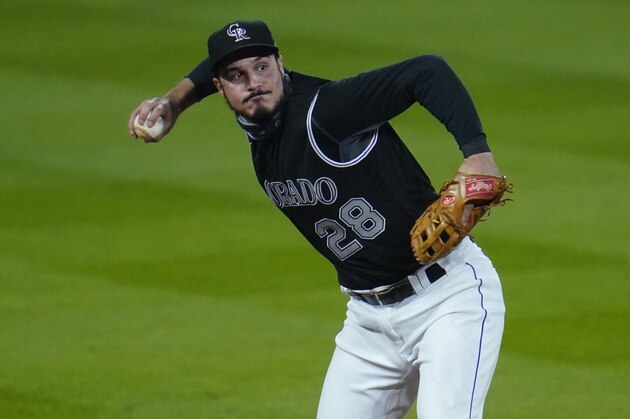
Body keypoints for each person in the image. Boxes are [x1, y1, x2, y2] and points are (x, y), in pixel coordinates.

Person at [128, 20, 506, 419]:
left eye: (262, 67)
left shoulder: (327, 110)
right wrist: (175, 101)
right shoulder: (261, 123)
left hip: (445, 301)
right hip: (369, 323)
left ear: (280, 63)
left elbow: (426, 71)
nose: (254, 82)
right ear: (220, 88)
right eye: (237, 77)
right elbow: (222, 64)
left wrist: (477, 152)